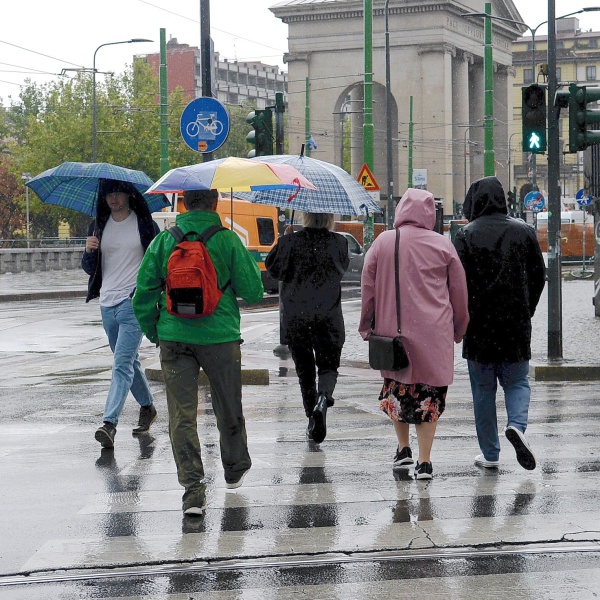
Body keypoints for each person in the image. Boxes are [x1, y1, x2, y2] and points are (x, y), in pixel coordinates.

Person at [133, 189, 264, 516]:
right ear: (215, 202)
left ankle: (193, 490)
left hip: (174, 337)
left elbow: (142, 295)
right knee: (227, 403)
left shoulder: (164, 242)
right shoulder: (227, 240)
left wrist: (156, 331)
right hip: (220, 337)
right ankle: (234, 469)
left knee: (181, 414)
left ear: (183, 204)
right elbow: (255, 291)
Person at [359, 188, 469, 479]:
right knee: (429, 398)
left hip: (393, 335)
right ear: (430, 214)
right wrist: (459, 329)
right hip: (434, 335)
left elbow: (367, 288)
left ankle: (403, 448)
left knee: (397, 391)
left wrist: (366, 325)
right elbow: (459, 294)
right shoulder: (443, 246)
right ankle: (425, 461)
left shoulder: (383, 242)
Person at [454, 176, 546, 471]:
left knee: (483, 391)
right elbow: (538, 275)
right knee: (517, 381)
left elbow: (457, 284)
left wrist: (463, 316)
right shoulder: (525, 231)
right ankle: (517, 425)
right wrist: (525, 308)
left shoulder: (465, 235)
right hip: (515, 323)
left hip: (479, 327)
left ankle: (490, 454)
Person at [82, 179, 159, 449]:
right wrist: (89, 250)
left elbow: (158, 262)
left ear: (128, 195)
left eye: (118, 194)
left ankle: (109, 424)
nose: (113, 199)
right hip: (107, 302)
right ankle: (148, 406)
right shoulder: (98, 226)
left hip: (132, 302)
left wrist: (145, 293)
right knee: (127, 360)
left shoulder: (145, 224)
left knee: (121, 364)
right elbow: (90, 268)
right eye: (109, 195)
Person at [265, 212, 349, 444]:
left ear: (305, 217)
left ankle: (311, 418)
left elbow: (273, 270)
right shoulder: (339, 242)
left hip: (297, 317)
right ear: (329, 218)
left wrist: (285, 240)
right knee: (329, 366)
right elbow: (342, 267)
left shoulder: (290, 242)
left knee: (305, 371)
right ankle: (323, 400)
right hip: (328, 315)